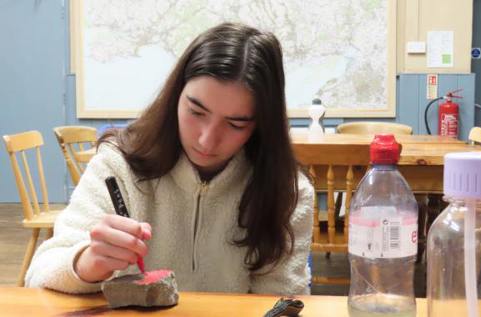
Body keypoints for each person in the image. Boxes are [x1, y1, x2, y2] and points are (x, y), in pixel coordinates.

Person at [25, 22, 314, 295]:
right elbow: (40, 274)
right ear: (176, 96)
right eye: (196, 112)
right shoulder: (117, 165)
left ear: (261, 124)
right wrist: (86, 263)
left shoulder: (287, 191)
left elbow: (283, 300)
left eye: (236, 124)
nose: (206, 140)